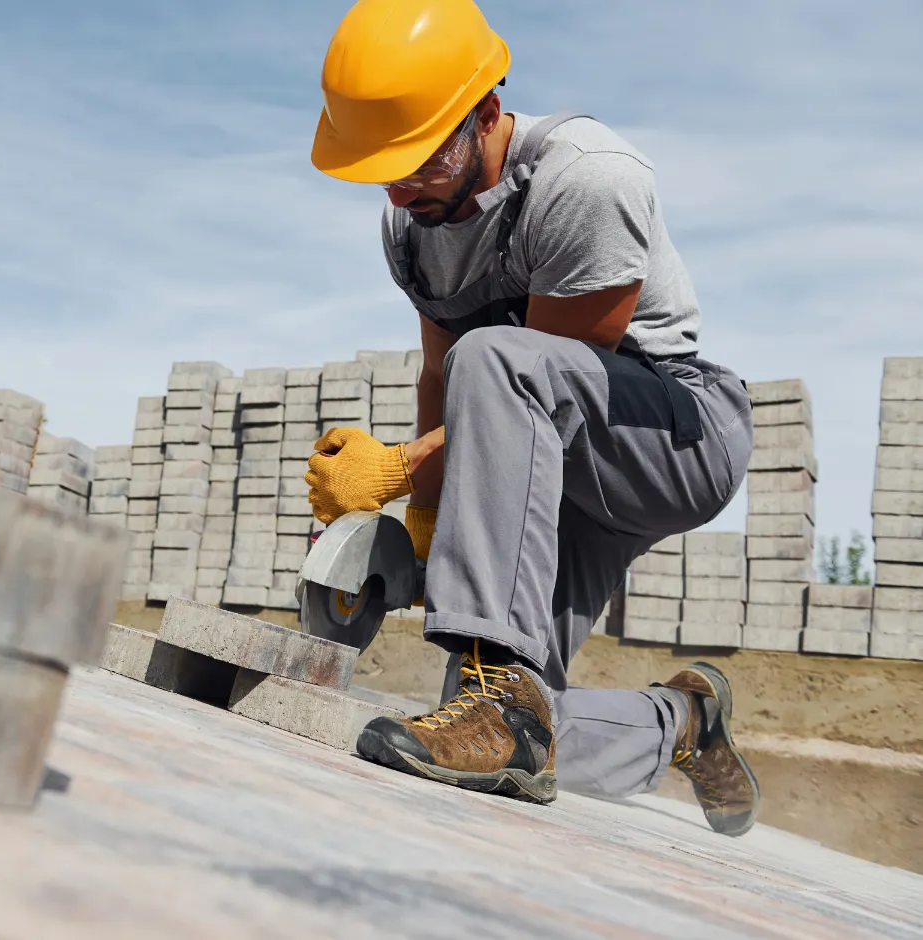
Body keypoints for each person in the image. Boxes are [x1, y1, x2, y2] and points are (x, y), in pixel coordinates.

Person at [302, 0, 760, 836]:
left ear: (485, 112)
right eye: (385, 168)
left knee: (500, 359)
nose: (402, 186)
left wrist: (398, 468)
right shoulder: (412, 223)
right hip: (559, 455)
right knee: (492, 704)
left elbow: (536, 377)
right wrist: (428, 520)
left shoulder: (587, 178)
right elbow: (442, 372)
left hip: (674, 435)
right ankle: (682, 724)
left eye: (421, 160)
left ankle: (508, 717)